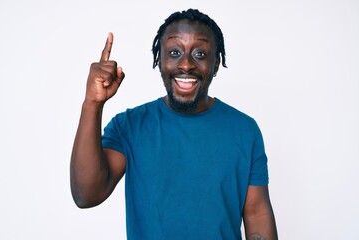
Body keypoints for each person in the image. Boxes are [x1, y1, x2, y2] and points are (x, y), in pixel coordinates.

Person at [70, 8, 278, 240]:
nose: (186, 64)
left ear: (216, 64)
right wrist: (92, 103)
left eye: (199, 54)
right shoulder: (129, 126)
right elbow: (86, 195)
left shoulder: (245, 130)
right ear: (160, 60)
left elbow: (257, 214)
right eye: (175, 52)